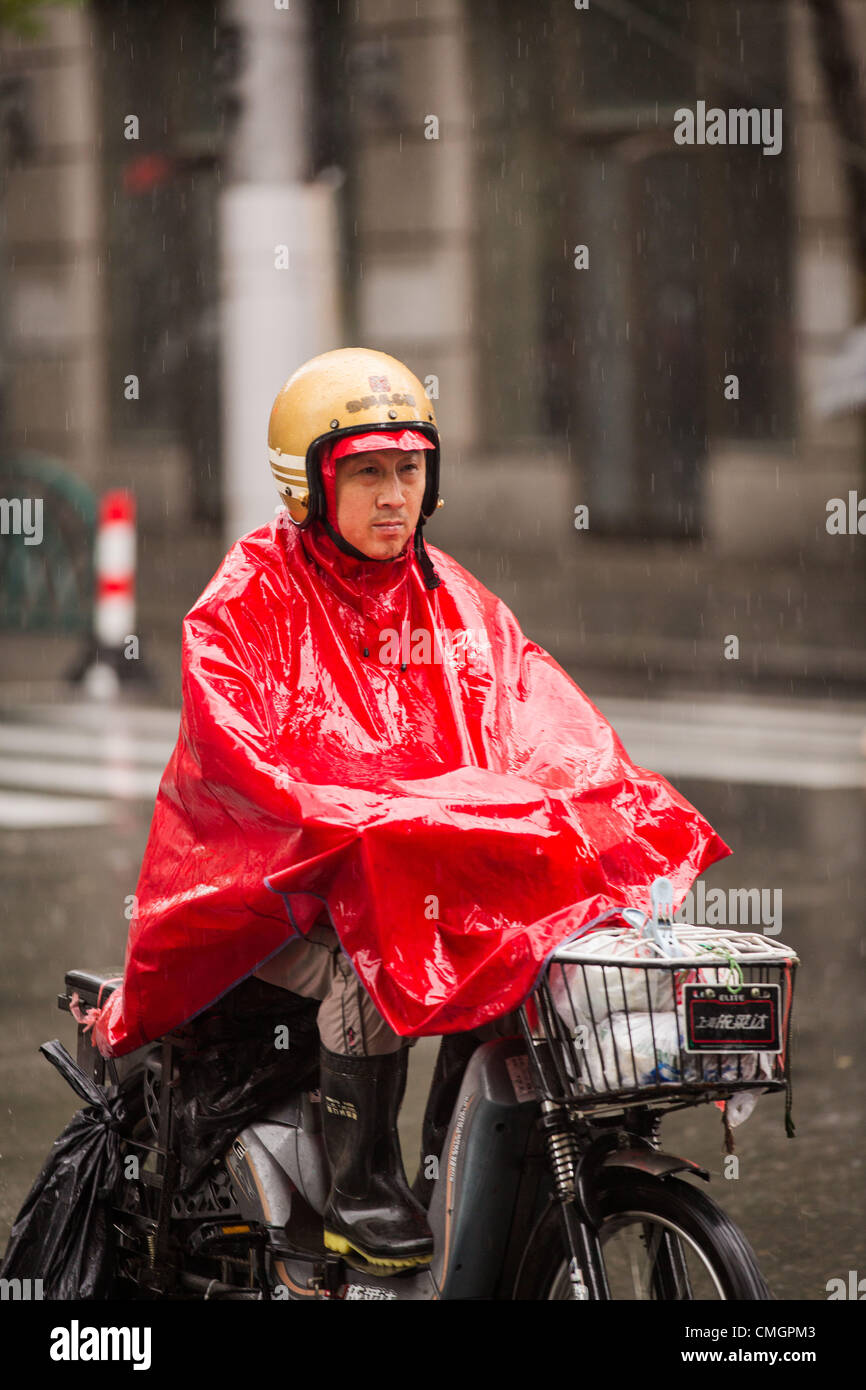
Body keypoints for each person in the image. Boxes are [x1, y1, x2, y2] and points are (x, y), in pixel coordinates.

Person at [92, 346, 730, 1276]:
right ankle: (361, 1190)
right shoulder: (247, 600)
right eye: (367, 473)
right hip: (267, 900)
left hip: (413, 877)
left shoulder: (451, 598)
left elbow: (538, 715)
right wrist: (374, 824)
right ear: (310, 484)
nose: (394, 495)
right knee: (377, 945)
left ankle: (451, 1165)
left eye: (409, 469)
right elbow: (251, 769)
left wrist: (607, 806)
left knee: (517, 945)